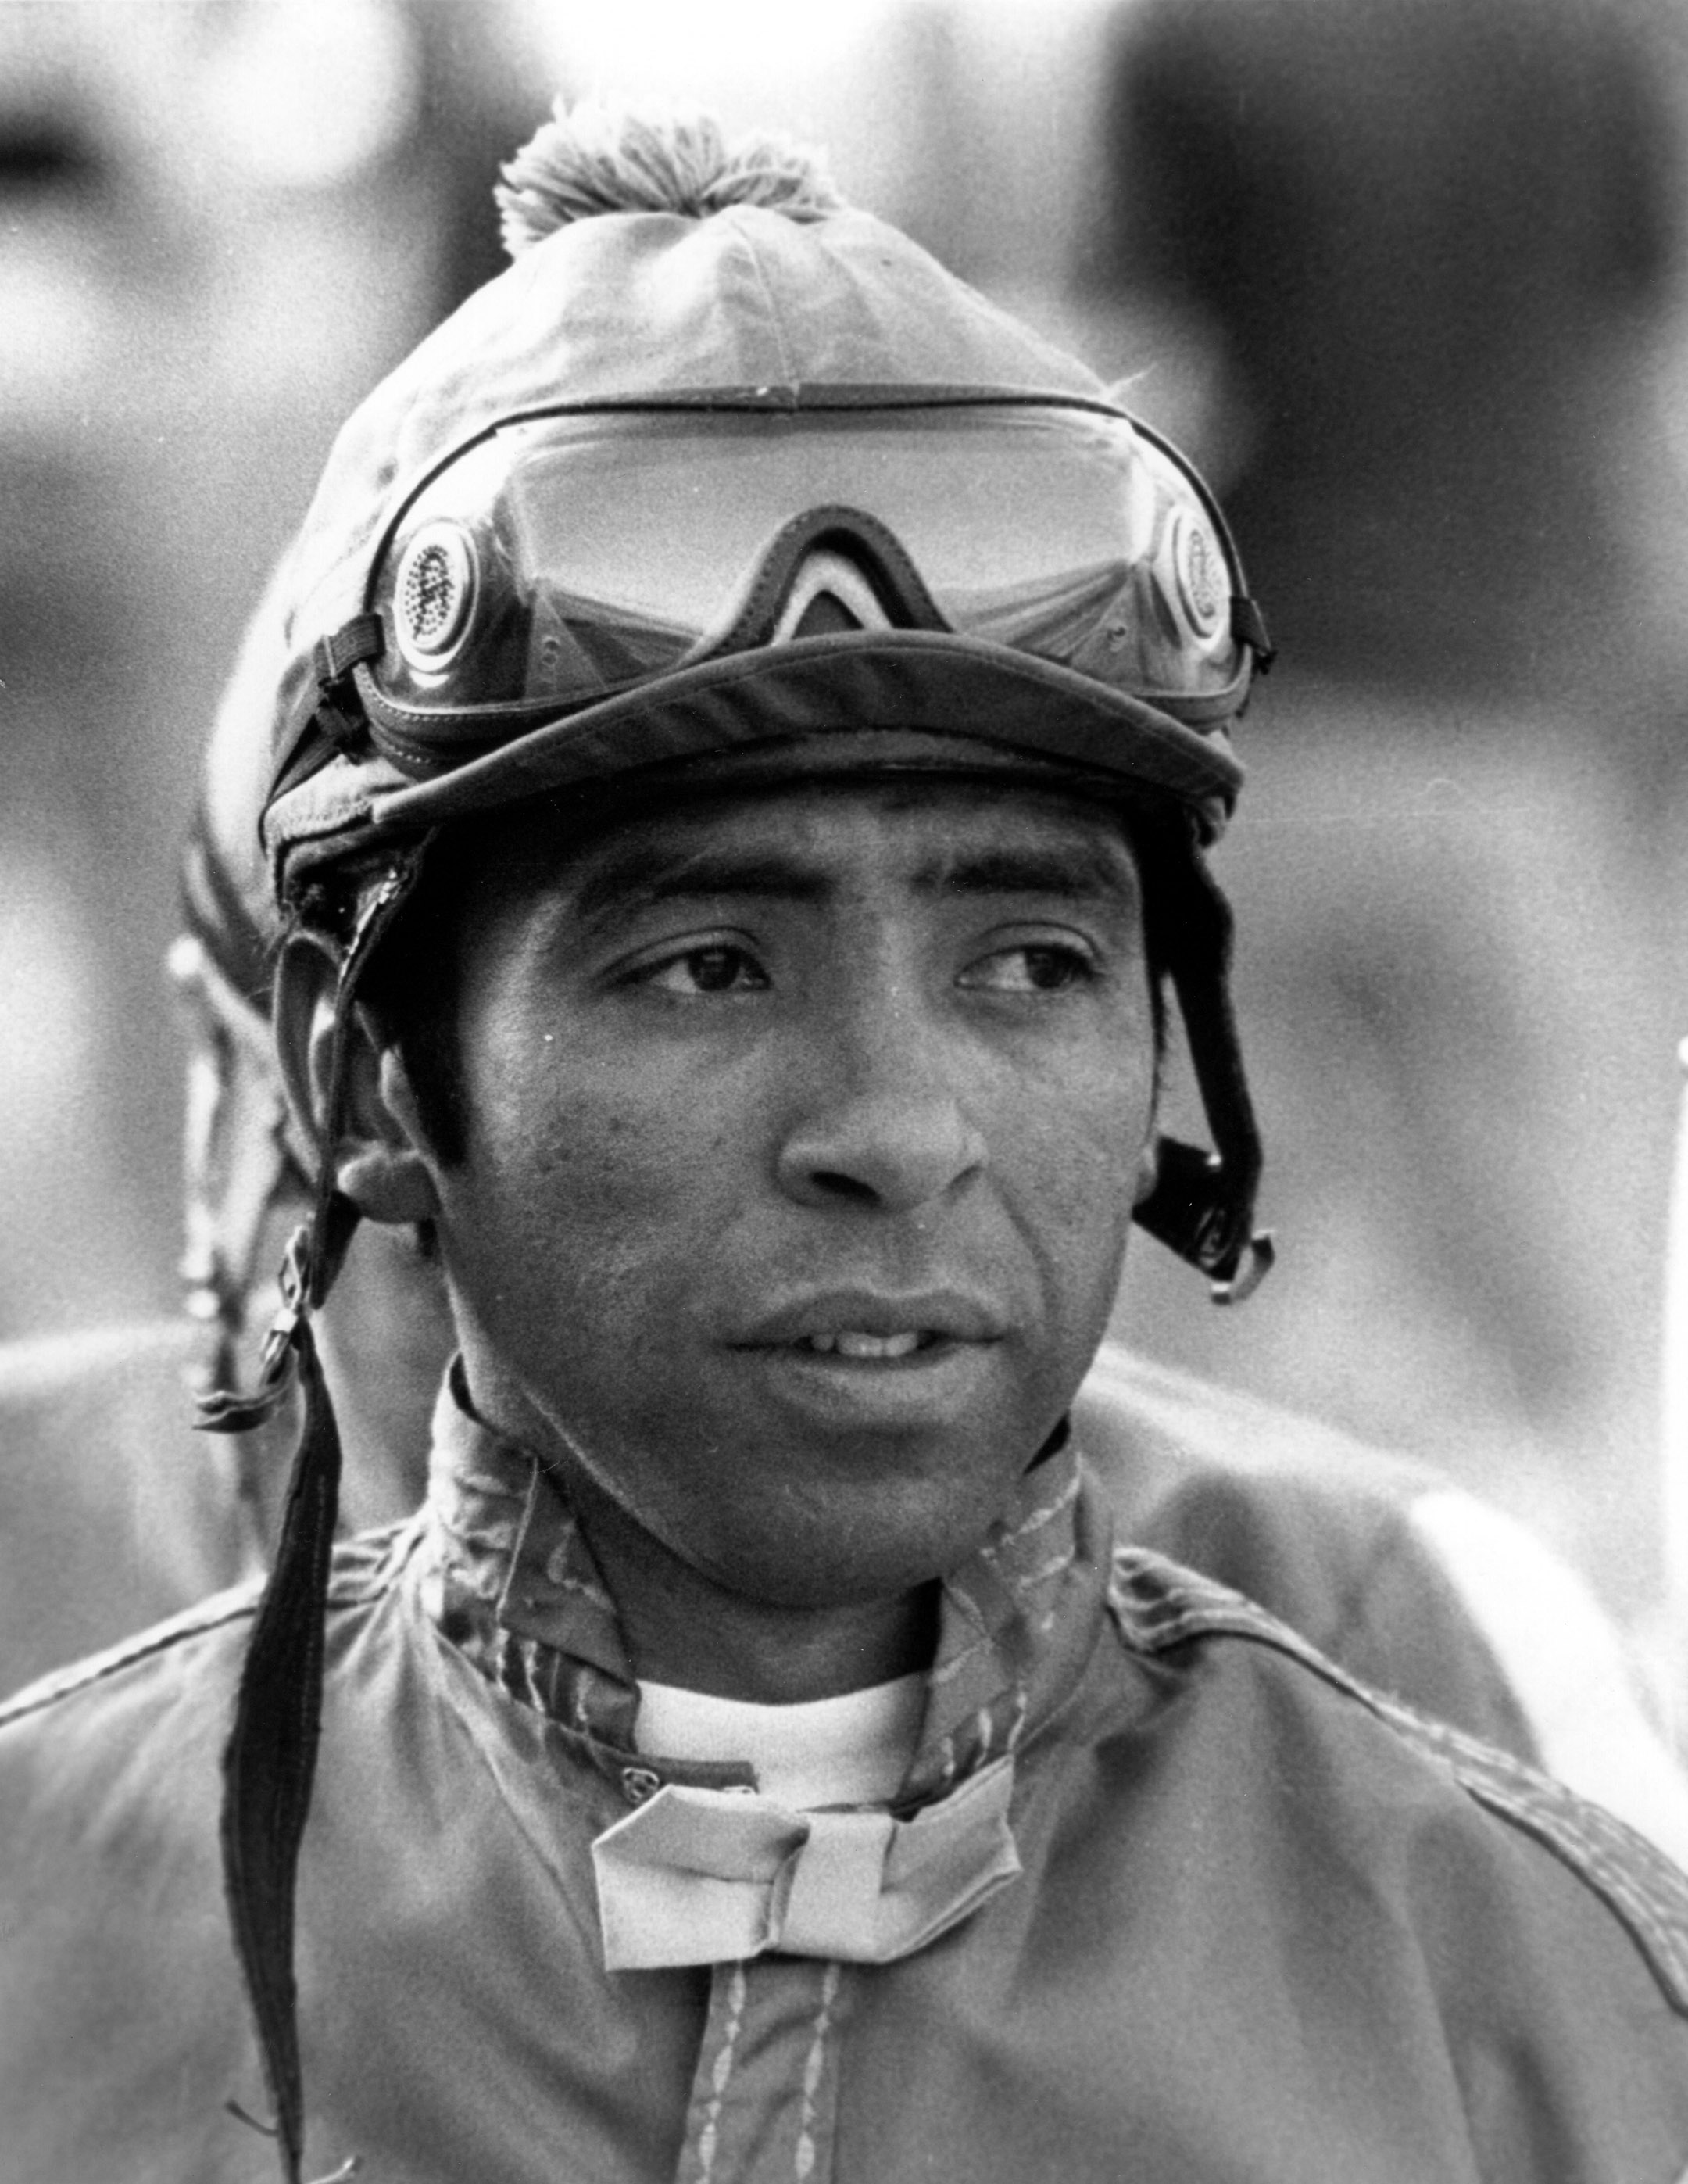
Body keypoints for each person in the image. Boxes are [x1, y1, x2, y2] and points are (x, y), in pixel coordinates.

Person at [4, 103, 1687, 2184]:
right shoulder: (52, 1896)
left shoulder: (1513, 1899)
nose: (895, 1131)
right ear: (353, 1081)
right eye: (703, 964)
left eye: (1029, 960)